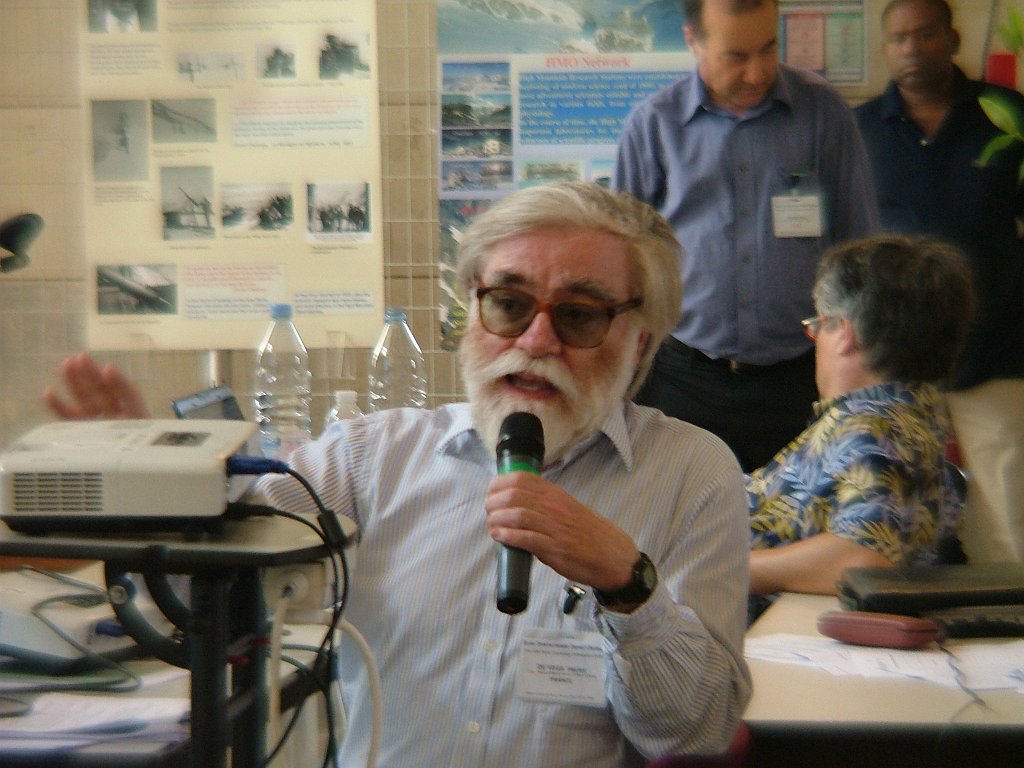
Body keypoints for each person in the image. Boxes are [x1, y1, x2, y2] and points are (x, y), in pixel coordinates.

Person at [43, 182, 752, 767]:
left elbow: (696, 732)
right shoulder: (368, 457)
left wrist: (628, 585)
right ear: (470, 308)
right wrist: (155, 486)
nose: (536, 341)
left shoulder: (692, 474)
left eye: (580, 315)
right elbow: (205, 594)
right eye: (509, 304)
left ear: (641, 341)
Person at [613, 0, 879, 472]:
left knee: (800, 513)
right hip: (685, 380)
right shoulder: (653, 126)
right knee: (684, 513)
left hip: (800, 380)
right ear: (693, 40)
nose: (757, 73)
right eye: (736, 56)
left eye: (768, 48)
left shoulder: (823, 113)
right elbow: (621, 262)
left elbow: (859, 248)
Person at [854, 0, 1024, 564]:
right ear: (885, 49)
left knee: (1008, 518)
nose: (911, 49)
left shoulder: (1006, 116)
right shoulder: (860, 131)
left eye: (924, 34)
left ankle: (1005, 616)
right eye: (898, 38)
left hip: (996, 349)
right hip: (896, 355)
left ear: (952, 39)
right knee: (893, 512)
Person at [746, 234, 974, 614]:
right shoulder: (910, 414)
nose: (814, 339)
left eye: (818, 325)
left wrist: (727, 567)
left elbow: (863, 557)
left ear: (844, 333)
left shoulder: (875, 431)